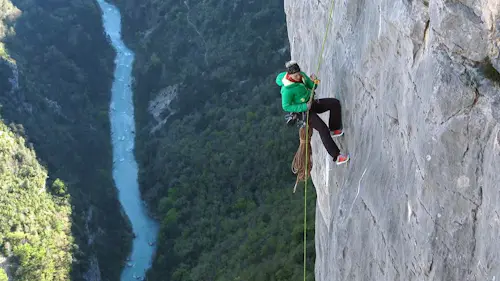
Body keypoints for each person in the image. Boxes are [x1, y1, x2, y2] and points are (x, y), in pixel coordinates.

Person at [276, 60, 350, 165]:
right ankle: (337, 157)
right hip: (305, 113)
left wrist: (315, 81)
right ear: (290, 75)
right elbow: (286, 106)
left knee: (334, 103)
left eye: (299, 74)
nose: (298, 77)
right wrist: (303, 106)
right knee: (323, 129)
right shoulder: (287, 90)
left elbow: (312, 87)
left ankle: (334, 129)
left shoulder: (301, 76)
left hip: (312, 103)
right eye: (296, 76)